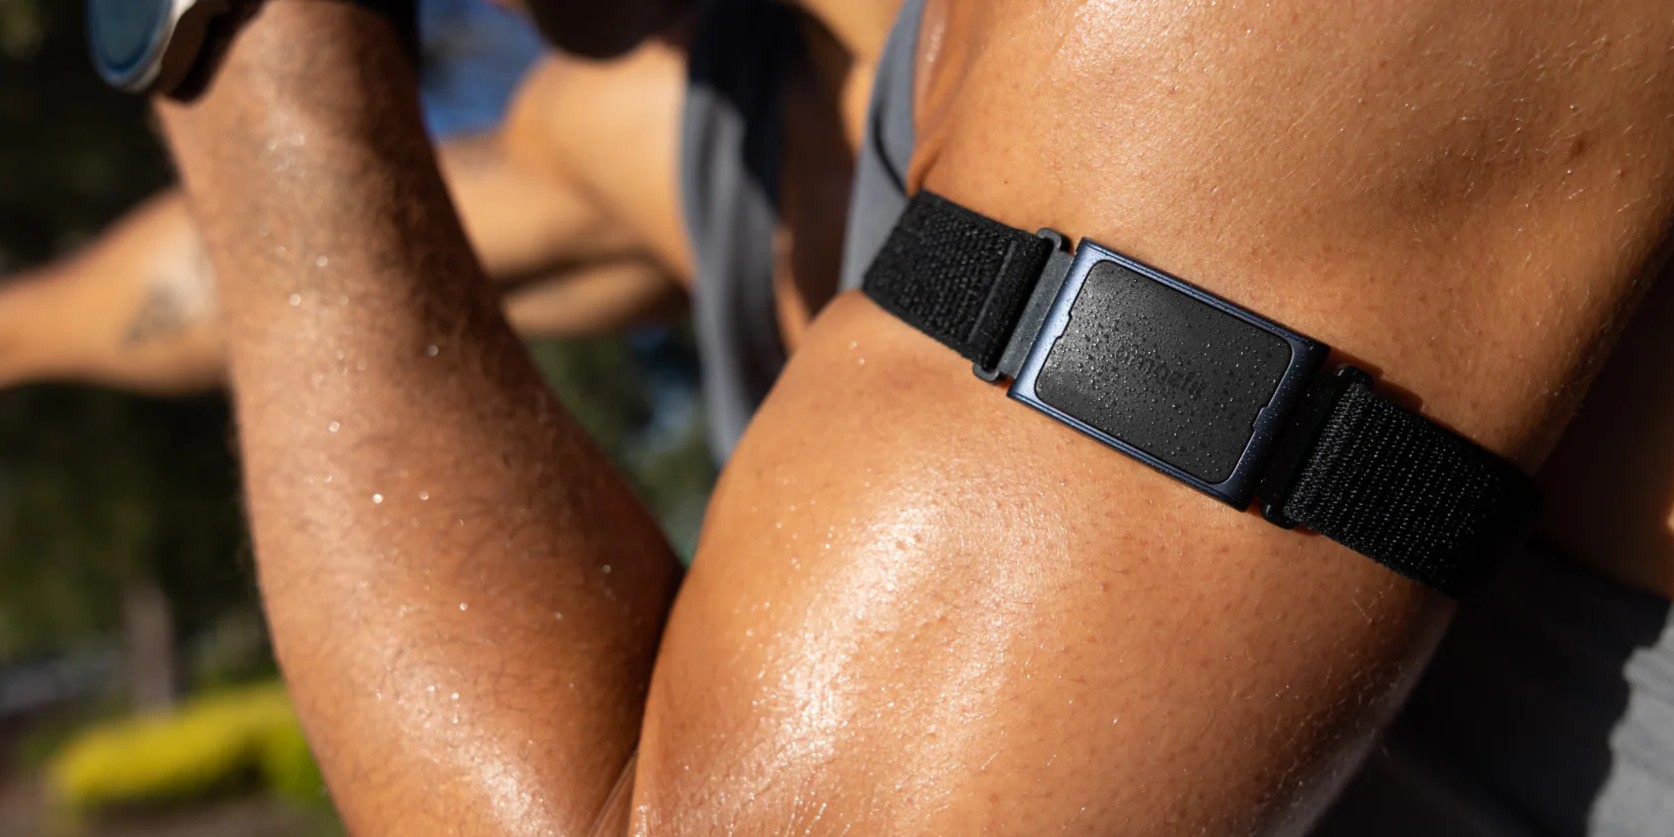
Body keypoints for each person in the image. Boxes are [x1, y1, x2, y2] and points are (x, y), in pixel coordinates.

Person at [58, 1, 1674, 835]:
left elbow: (299, 210)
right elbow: (225, 276)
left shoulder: (1238, 47)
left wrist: (239, 51)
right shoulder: (744, 116)